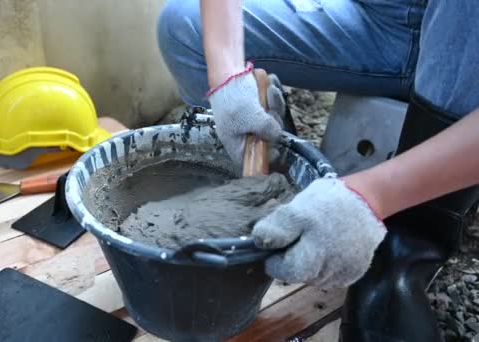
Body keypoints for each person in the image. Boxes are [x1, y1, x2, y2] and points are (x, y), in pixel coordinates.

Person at [156, 1, 479, 341]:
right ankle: (279, 180)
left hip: (465, 37)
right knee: (182, 27)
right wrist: (228, 82)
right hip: (383, 21)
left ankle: (406, 249)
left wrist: (371, 197)